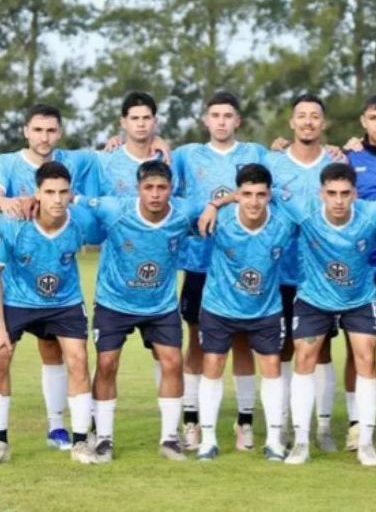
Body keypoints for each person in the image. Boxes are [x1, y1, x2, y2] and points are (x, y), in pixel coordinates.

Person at [277, 163, 376, 466]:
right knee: (304, 359)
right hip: (313, 298)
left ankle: (365, 444)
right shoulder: (304, 209)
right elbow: (260, 193)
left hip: (359, 298)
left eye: (345, 193)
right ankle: (301, 442)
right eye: (332, 193)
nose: (338, 200)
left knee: (365, 359)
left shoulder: (371, 212)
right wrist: (216, 205)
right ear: (321, 193)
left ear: (355, 194)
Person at [81, 161, 204, 462]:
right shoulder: (113, 208)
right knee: (107, 363)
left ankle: (169, 440)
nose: (155, 194)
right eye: (148, 187)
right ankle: (104, 439)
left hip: (160, 305)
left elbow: (215, 205)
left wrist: (216, 205)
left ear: (170, 190)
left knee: (173, 362)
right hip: (114, 302)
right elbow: (74, 199)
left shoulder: (184, 213)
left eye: (161, 188)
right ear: (138, 189)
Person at [171, 91, 270, 451]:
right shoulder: (186, 155)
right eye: (215, 115)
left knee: (243, 339)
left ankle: (244, 422)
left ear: (237, 120)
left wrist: (218, 201)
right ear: (205, 120)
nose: (222, 121)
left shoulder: (256, 154)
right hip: (200, 262)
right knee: (196, 340)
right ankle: (192, 419)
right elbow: (155, 165)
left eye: (228, 115)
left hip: (245, 261)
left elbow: (259, 191)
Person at [0, 104, 99, 451]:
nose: (44, 137)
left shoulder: (74, 162)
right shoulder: (6, 163)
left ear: (59, 132)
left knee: (57, 352)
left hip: (60, 287)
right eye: (38, 130)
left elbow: (110, 158)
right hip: (18, 280)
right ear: (25, 130)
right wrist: (9, 201)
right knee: (2, 353)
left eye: (51, 130)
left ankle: (62, 429)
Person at [195, 164, 294, 462]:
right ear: (237, 195)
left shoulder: (284, 224)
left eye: (260, 194)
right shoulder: (220, 221)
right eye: (247, 194)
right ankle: (208, 441)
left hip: (265, 308)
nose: (253, 201)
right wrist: (214, 204)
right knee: (213, 364)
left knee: (272, 367)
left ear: (269, 195)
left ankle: (275, 441)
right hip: (218, 305)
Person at [267, 93, 339, 452]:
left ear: (322, 124)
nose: (308, 122)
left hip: (321, 276)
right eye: (301, 116)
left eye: (314, 116)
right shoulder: (272, 162)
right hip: (280, 273)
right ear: (292, 123)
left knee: (320, 350)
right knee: (280, 350)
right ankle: (279, 426)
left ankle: (322, 428)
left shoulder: (337, 162)